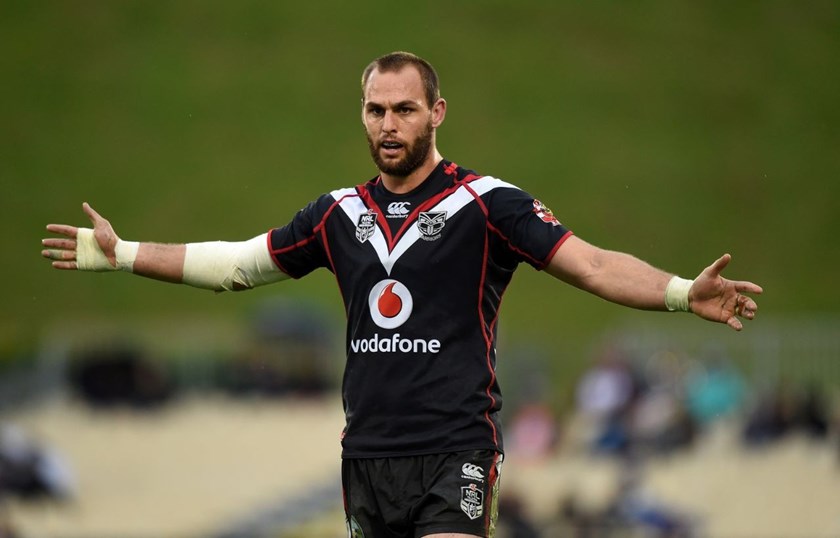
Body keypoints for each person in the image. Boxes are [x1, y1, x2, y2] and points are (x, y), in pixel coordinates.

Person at [41, 51, 762, 538]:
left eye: (405, 110)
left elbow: (595, 265)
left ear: (437, 111)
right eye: (375, 110)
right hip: (369, 456)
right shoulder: (335, 215)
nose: (389, 125)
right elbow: (239, 264)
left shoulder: (490, 204)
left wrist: (676, 292)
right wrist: (126, 253)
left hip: (457, 448)